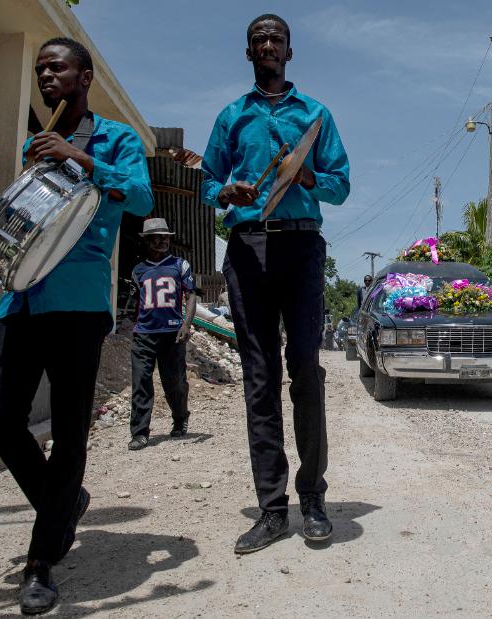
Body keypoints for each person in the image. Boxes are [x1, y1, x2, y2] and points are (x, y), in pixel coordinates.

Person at [0, 37, 154, 614]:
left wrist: (79, 158)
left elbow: (142, 196)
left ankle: (40, 563)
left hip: (78, 301)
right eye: (40, 69)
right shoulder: (34, 144)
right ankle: (64, 501)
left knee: (71, 429)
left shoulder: (117, 139)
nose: (47, 76)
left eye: (58, 68)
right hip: (22, 297)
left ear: (85, 76)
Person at [183, 13, 350, 554]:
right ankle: (272, 510)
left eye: (277, 39)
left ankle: (313, 499)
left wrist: (307, 176)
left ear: (290, 52)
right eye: (259, 40)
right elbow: (207, 179)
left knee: (305, 367)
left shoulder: (315, 116)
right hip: (248, 248)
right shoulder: (232, 116)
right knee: (260, 375)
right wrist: (223, 193)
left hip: (301, 247)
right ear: (249, 52)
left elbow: (341, 185)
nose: (269, 46)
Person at [127, 217, 197, 450]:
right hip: (144, 334)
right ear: (147, 241)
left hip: (172, 334)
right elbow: (135, 302)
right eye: (157, 238)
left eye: (165, 237)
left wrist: (186, 324)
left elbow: (191, 295)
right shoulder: (139, 271)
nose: (162, 241)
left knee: (174, 381)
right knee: (141, 381)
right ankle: (140, 432)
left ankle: (180, 418)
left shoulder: (180, 265)